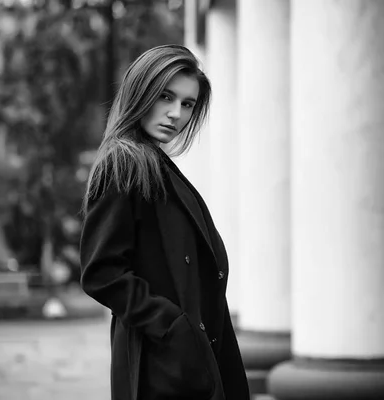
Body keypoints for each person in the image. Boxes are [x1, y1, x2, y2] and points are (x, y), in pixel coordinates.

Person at [79, 45, 250, 400]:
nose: (176, 114)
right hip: (160, 364)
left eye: (188, 104)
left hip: (186, 356)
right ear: (141, 91)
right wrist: (173, 327)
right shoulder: (124, 163)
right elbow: (102, 273)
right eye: (165, 96)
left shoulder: (153, 163)